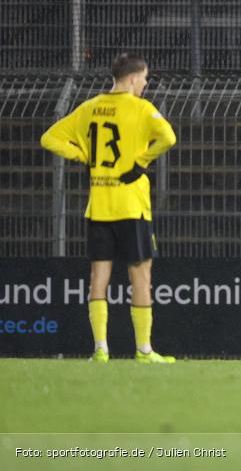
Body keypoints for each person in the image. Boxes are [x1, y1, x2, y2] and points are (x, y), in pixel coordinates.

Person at [40, 53, 177, 363]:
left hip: (99, 206)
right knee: (141, 276)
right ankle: (144, 350)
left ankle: (100, 348)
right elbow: (168, 137)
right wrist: (141, 162)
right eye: (144, 77)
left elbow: (49, 138)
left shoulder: (89, 108)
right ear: (131, 79)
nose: (145, 83)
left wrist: (83, 156)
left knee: (97, 278)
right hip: (131, 206)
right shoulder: (141, 109)